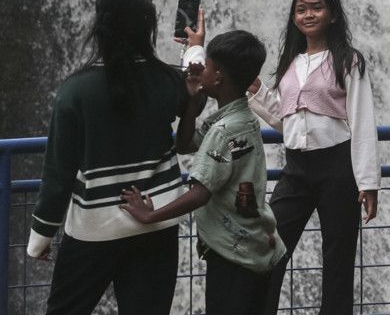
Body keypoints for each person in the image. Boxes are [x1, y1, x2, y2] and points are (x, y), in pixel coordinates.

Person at [26, 0, 188, 315]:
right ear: (149, 26)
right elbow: (189, 129)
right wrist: (194, 50)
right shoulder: (170, 80)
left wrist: (41, 234)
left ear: (100, 26)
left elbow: (59, 172)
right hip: (155, 221)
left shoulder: (75, 91)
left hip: (94, 228)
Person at [120, 29, 287, 315]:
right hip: (254, 246)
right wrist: (191, 103)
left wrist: (151, 215)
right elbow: (185, 145)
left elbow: (199, 193)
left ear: (219, 77)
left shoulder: (224, 130)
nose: (202, 70)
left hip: (235, 256)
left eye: (207, 66)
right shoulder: (240, 118)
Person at [248, 0, 380, 315]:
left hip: (337, 167)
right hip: (297, 169)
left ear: (333, 14)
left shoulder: (349, 61)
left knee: (337, 260)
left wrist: (368, 182)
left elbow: (362, 122)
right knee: (269, 245)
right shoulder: (291, 63)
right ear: (294, 18)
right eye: (301, 9)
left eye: (317, 7)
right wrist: (258, 91)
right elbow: (286, 119)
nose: (309, 14)